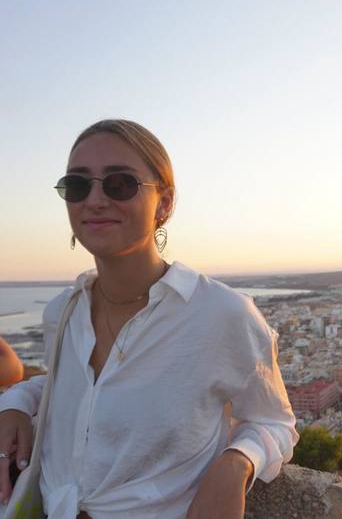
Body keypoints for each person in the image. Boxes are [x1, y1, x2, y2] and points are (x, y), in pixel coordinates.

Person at [0, 119, 298, 518]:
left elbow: (275, 422)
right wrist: (16, 402)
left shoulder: (219, 314)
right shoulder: (63, 312)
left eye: (119, 183)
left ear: (165, 203)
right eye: (78, 185)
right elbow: (73, 386)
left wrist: (237, 463)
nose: (95, 200)